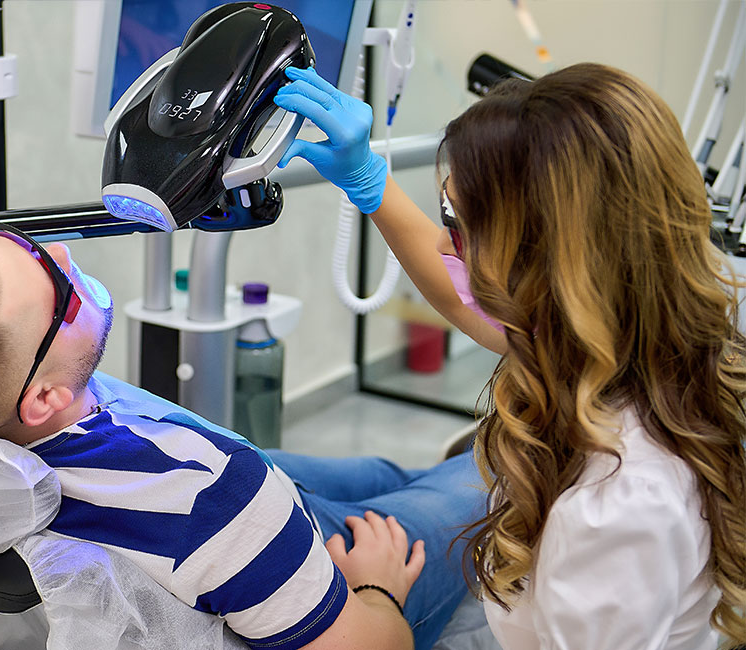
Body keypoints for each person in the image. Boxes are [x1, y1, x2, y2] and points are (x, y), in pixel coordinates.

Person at [0, 217, 487, 650]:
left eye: (29, 246)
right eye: (59, 293)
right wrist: (376, 587)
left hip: (246, 522)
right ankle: (483, 470)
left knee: (382, 476)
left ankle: (426, 476)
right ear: (42, 399)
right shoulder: (211, 495)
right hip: (282, 555)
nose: (63, 254)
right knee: (488, 480)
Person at [273, 63, 746, 649]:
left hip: (506, 562)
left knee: (276, 514)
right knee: (254, 466)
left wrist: (378, 597)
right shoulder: (625, 335)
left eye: (458, 224)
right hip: (509, 499)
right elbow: (462, 292)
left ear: (544, 263)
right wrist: (367, 177)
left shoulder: (618, 509)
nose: (444, 243)